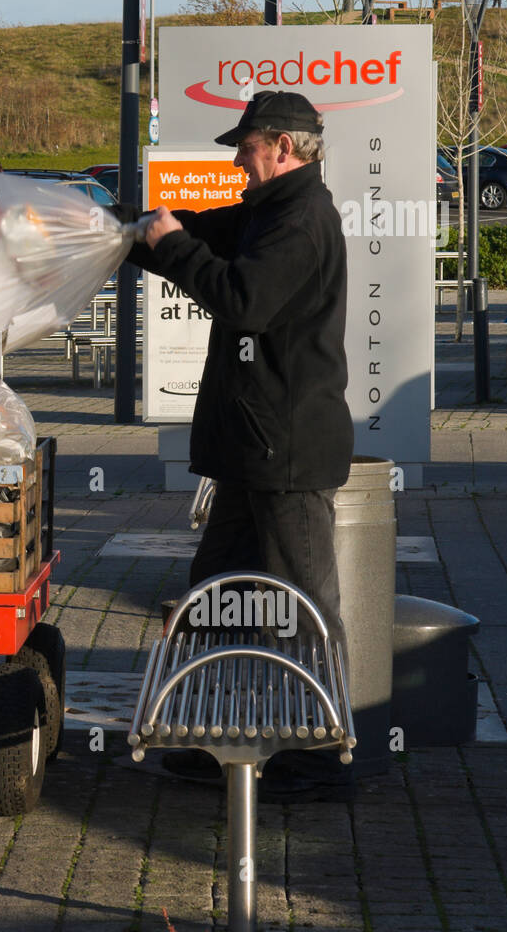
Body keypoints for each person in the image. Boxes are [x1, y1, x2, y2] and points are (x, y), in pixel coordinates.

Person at [129, 90, 355, 800]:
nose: (237, 158)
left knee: (303, 607)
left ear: (283, 147)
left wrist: (172, 245)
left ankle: (319, 754)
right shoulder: (271, 211)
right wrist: (131, 235)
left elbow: (241, 298)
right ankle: (201, 732)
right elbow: (205, 236)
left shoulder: (302, 220)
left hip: (285, 454)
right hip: (248, 452)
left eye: (246, 145)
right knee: (210, 600)